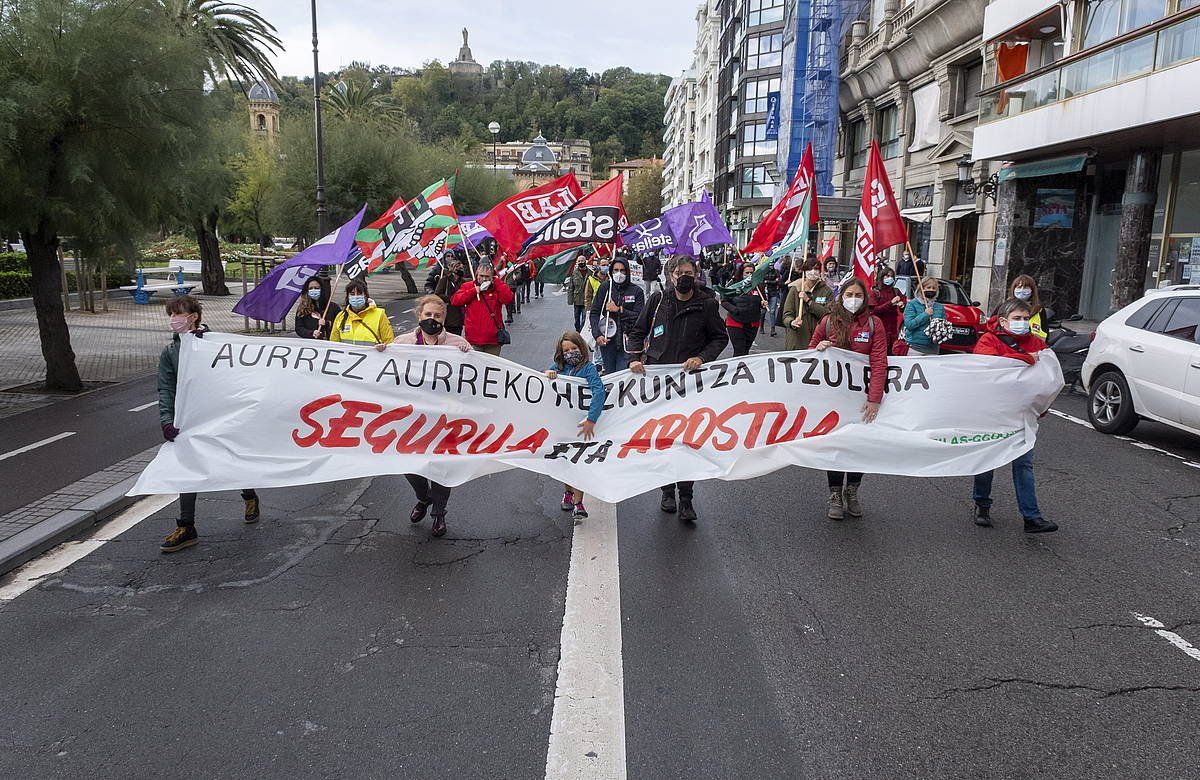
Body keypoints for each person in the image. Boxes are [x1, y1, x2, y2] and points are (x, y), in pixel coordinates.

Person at [627, 256, 729, 525]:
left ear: (696, 275)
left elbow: (720, 337)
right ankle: (666, 492)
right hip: (660, 383)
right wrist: (635, 358)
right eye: (679, 272)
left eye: (689, 272)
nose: (684, 276)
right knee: (664, 439)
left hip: (691, 384)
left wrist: (702, 358)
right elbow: (637, 332)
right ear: (670, 275)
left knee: (687, 441)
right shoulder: (658, 301)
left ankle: (686, 497)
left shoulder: (706, 304)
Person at [157, 296, 260, 553]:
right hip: (188, 419)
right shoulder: (171, 352)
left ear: (193, 317)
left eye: (178, 314)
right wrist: (167, 420)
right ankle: (187, 526)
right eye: (171, 315)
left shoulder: (215, 345)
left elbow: (234, 379)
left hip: (218, 415)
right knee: (188, 468)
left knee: (231, 459)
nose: (174, 320)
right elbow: (166, 388)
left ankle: (249, 496)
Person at [971, 299, 1058, 533]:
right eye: (1016, 319)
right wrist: (1026, 359)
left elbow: (1048, 378)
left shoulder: (1036, 342)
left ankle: (1031, 517)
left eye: (1025, 318)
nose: (1022, 323)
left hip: (1020, 415)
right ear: (1003, 321)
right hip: (991, 413)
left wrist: (1043, 404)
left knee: (1023, 464)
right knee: (987, 461)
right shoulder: (988, 340)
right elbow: (989, 368)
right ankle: (982, 505)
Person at [393, 295, 473, 537]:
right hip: (412, 418)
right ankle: (423, 498)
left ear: (444, 319)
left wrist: (469, 355)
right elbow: (385, 372)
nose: (432, 319)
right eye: (428, 315)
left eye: (437, 316)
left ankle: (439, 513)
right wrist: (381, 352)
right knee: (410, 465)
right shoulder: (403, 342)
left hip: (445, 419)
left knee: (441, 467)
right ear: (419, 316)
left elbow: (473, 377)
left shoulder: (457, 344)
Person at [809, 277, 888, 521]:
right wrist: (819, 346)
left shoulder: (875, 325)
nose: (853, 299)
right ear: (841, 297)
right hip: (832, 398)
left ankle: (852, 491)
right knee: (835, 446)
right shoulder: (828, 321)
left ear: (865, 299)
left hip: (861, 399)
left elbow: (879, 362)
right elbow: (809, 353)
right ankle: (835, 494)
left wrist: (874, 398)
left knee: (859, 446)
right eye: (849, 294)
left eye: (858, 295)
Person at [544, 331, 607, 521]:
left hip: (580, 425)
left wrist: (591, 419)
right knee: (564, 460)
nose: (571, 352)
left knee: (578, 462)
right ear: (561, 353)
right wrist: (548, 374)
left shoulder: (588, 368)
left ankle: (579, 503)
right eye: (566, 350)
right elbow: (542, 380)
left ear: (581, 348)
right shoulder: (559, 367)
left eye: (574, 348)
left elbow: (599, 391)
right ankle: (568, 492)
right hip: (562, 423)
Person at [589, 255, 645, 373]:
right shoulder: (605, 288)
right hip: (608, 341)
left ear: (627, 272)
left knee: (622, 375)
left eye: (622, 270)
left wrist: (619, 309)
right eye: (616, 270)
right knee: (610, 375)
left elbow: (640, 316)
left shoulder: (637, 291)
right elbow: (594, 312)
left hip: (628, 342)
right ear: (611, 271)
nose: (619, 273)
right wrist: (597, 335)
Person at [450, 262, 515, 355]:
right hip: (474, 339)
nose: (484, 279)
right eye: (481, 276)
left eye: (487, 276)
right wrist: (473, 291)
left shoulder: (496, 287)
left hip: (493, 340)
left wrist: (497, 282)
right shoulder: (468, 286)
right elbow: (455, 300)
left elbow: (508, 299)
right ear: (477, 275)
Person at [781, 258, 833, 352]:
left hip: (818, 342)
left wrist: (809, 301)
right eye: (809, 269)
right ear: (804, 271)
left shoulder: (826, 291)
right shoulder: (795, 289)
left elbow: (828, 315)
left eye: (816, 269)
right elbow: (786, 315)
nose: (813, 272)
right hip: (797, 341)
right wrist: (792, 322)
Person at [330, 280, 393, 350]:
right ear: (347, 297)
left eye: (359, 294)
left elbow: (389, 342)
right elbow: (334, 344)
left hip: (372, 360)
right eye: (352, 294)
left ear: (365, 296)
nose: (356, 297)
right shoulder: (340, 316)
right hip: (347, 360)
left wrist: (384, 347)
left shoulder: (379, 314)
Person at [721, 263, 766, 357]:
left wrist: (763, 304)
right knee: (739, 351)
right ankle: (736, 371)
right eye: (747, 273)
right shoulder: (734, 285)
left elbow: (762, 300)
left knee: (745, 352)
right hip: (735, 321)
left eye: (751, 273)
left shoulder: (758, 285)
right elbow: (723, 301)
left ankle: (743, 371)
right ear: (741, 273)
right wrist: (735, 310)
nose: (749, 275)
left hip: (752, 323)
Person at [901, 277, 947, 355]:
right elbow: (909, 325)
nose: (931, 290)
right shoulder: (912, 304)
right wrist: (925, 315)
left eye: (934, 288)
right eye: (928, 287)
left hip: (933, 349)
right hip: (915, 348)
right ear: (921, 289)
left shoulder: (939, 307)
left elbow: (942, 326)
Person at [869, 263, 906, 353]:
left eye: (892, 276)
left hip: (892, 331)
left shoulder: (896, 291)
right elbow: (873, 311)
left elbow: (904, 306)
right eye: (887, 276)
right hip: (879, 329)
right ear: (882, 277)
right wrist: (890, 303)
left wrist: (902, 305)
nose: (890, 278)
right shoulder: (876, 292)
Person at [294, 275, 340, 340]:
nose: (313, 290)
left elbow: (340, 326)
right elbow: (299, 328)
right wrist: (311, 333)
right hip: (312, 344)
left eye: (316, 288)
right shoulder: (302, 309)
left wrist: (327, 324)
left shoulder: (333, 307)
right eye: (311, 288)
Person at [435, 254, 468, 336]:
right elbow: (438, 294)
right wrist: (451, 299)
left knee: (457, 336)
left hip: (459, 314)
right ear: (453, 269)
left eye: (461, 268)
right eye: (458, 268)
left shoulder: (463, 281)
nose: (460, 269)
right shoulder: (445, 280)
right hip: (448, 314)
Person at [1009, 274, 1048, 339]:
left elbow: (1045, 330)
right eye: (1018, 287)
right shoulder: (1004, 306)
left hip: (1033, 344)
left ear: (1032, 290)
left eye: (1026, 288)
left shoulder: (1038, 309)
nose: (1022, 290)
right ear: (1013, 289)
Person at [566, 252, 590, 332]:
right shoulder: (574, 273)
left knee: (584, 318)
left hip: (587, 300)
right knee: (577, 319)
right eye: (579, 261)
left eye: (582, 261)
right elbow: (570, 287)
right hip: (577, 300)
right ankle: (577, 330)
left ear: (585, 261)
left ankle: (581, 333)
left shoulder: (590, 272)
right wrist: (570, 300)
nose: (580, 263)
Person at [761, 263, 782, 337]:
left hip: (773, 293)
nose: (771, 267)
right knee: (763, 311)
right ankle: (761, 327)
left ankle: (773, 329)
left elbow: (778, 281)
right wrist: (773, 282)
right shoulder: (763, 273)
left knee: (772, 311)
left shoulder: (776, 272)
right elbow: (762, 282)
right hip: (765, 294)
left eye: (772, 265)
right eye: (769, 265)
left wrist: (768, 282)